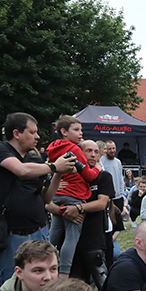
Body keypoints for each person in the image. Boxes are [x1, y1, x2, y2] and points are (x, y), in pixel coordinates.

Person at [0, 112, 76, 289]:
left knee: (43, 283)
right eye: (32, 132)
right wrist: (54, 166)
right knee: (9, 283)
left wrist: (58, 173)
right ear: (16, 133)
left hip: (39, 230)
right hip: (11, 233)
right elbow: (20, 170)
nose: (37, 136)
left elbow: (46, 198)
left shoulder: (34, 159)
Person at [46, 116, 102, 279]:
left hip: (58, 195)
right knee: (71, 238)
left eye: (81, 130)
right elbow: (89, 175)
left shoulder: (52, 148)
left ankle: (41, 263)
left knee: (53, 237)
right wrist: (97, 168)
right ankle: (63, 274)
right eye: (76, 130)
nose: (80, 134)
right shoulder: (74, 149)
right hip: (75, 196)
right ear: (63, 131)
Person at [101, 141, 129, 240]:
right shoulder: (101, 161)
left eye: (113, 148)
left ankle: (112, 241)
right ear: (105, 150)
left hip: (118, 197)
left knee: (117, 222)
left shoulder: (118, 162)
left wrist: (122, 194)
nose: (112, 151)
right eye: (109, 149)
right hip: (107, 197)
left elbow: (120, 179)